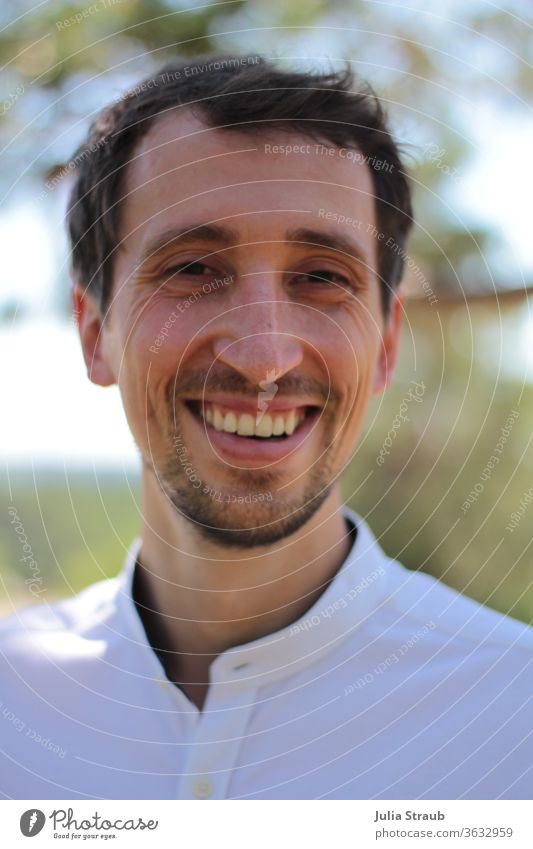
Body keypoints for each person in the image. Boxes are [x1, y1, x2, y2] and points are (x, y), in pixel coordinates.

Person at [1, 55, 531, 801]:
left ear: (384, 343)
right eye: (192, 268)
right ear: (95, 332)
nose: (263, 357)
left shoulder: (515, 721)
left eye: (321, 277)